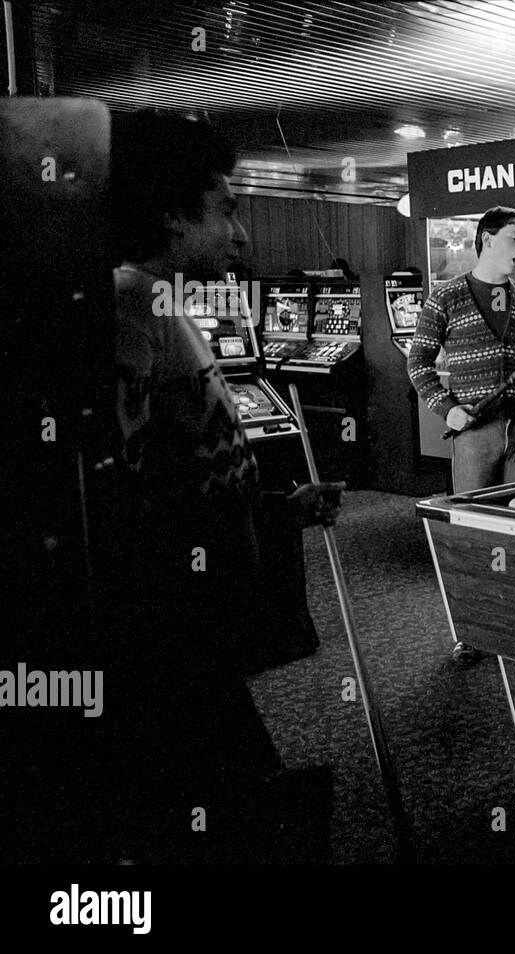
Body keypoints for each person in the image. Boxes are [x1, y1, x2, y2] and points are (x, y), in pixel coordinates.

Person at [98, 109, 343, 862]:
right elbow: (116, 503)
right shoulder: (126, 305)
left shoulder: (166, 304)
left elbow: (180, 473)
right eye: (227, 209)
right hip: (169, 639)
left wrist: (273, 507)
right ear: (172, 216)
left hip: (202, 629)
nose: (240, 235)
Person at [408, 206, 515, 665]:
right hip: (474, 432)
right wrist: (446, 408)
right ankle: (471, 630)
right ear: (486, 239)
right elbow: (418, 363)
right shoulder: (447, 297)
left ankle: (514, 620)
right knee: (472, 531)